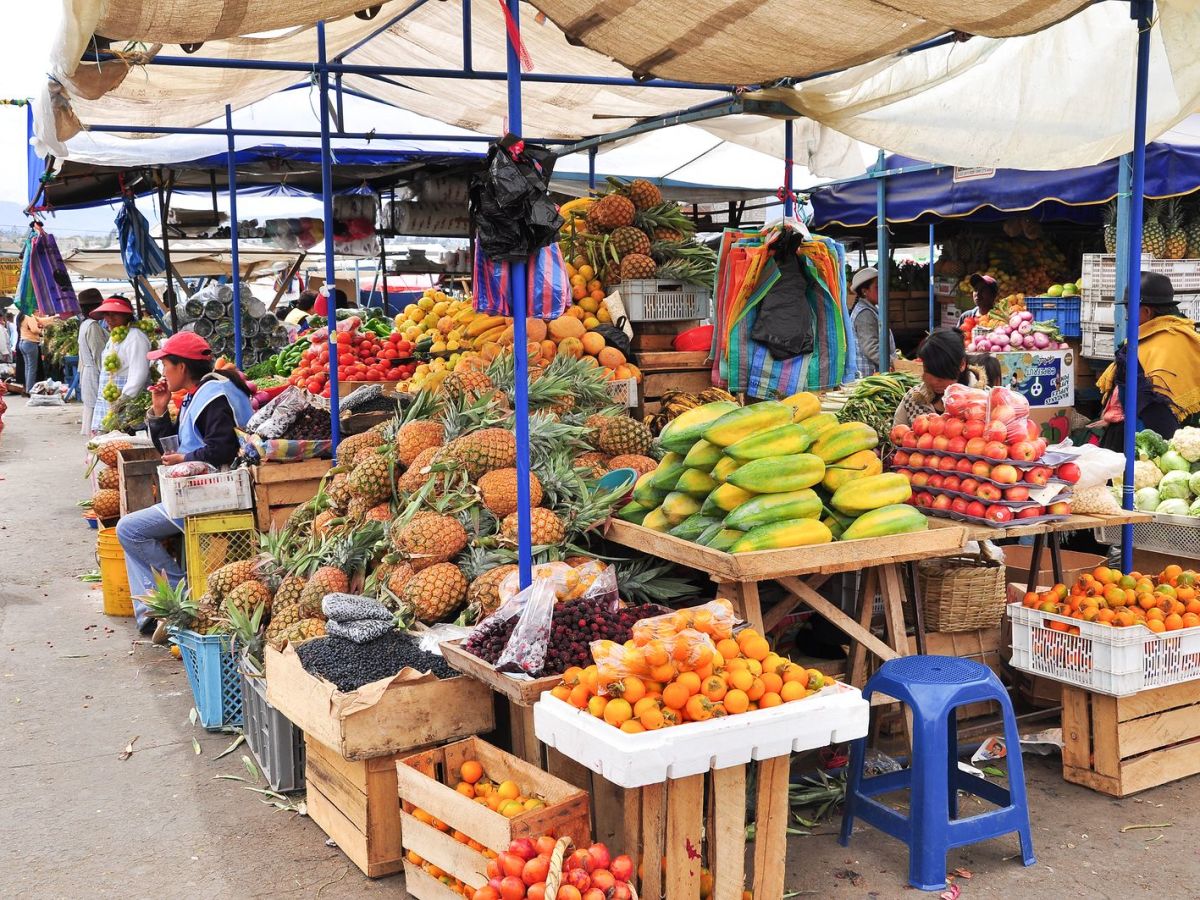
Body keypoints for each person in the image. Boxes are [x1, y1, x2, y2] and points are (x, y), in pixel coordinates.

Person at [116, 332, 254, 632]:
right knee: (133, 528)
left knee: (129, 529)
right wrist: (159, 409)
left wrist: (186, 457)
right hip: (200, 491)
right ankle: (158, 610)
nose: (162, 371)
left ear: (181, 367)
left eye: (165, 364)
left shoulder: (213, 396)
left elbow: (224, 447)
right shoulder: (201, 392)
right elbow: (173, 445)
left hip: (215, 494)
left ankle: (178, 597)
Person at [1097, 272, 1200, 449]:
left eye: (1129, 311)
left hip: (1147, 436)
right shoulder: (1185, 335)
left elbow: (1150, 406)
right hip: (1179, 434)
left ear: (1146, 311)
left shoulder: (1149, 346)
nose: (1127, 317)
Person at [893, 329, 1001, 427]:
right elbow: (896, 435)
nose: (935, 381)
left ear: (962, 364)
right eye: (929, 372)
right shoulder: (913, 399)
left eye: (941, 375)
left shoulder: (986, 401)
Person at [90, 296, 151, 433]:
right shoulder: (115, 336)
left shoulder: (135, 337)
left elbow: (139, 374)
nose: (109, 318)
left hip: (127, 405)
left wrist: (122, 401)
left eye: (114, 313)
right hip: (112, 403)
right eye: (106, 314)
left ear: (126, 315)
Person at [848, 266, 895, 376]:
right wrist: (894, 363)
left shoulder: (872, 309)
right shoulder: (865, 313)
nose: (883, 291)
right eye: (877, 287)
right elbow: (871, 348)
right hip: (868, 375)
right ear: (865, 291)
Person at [76, 289, 107, 436]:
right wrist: (107, 377)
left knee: (92, 408)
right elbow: (99, 354)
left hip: (88, 371)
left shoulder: (85, 324)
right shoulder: (92, 326)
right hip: (94, 372)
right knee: (96, 409)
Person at [17, 309, 59, 394]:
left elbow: (40, 320)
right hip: (30, 343)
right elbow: (34, 329)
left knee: (28, 368)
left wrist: (54, 318)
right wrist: (42, 332)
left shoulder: (23, 316)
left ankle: (28, 389)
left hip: (23, 343)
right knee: (32, 368)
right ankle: (30, 390)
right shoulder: (29, 316)